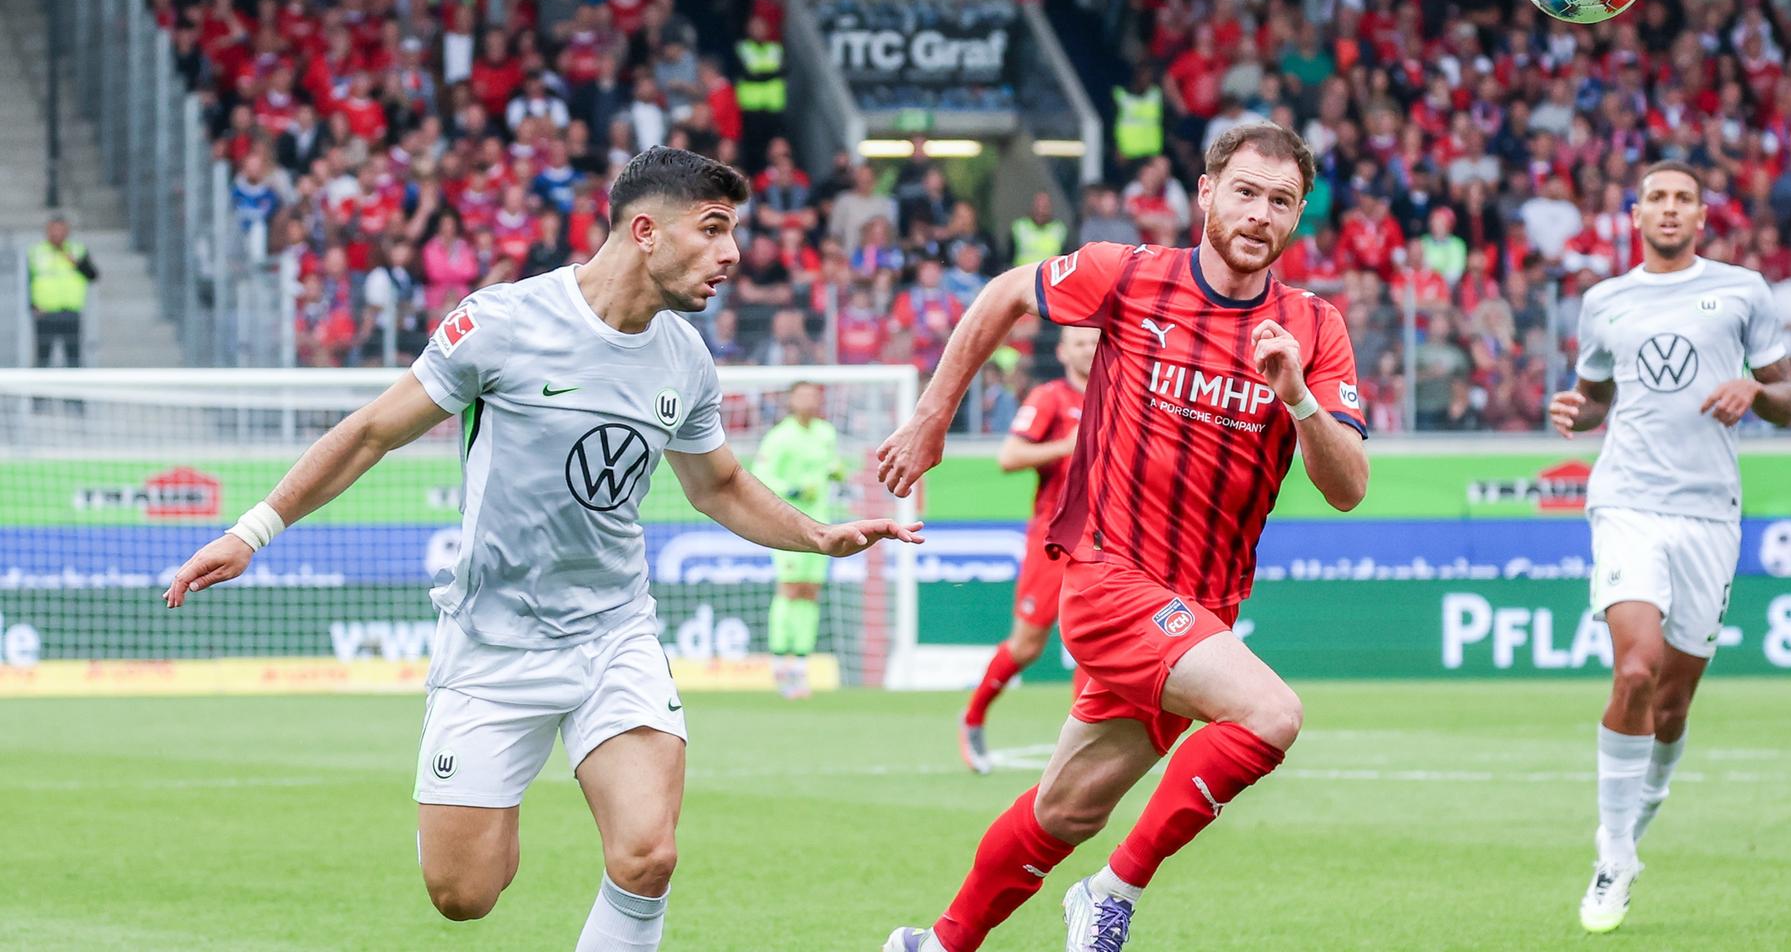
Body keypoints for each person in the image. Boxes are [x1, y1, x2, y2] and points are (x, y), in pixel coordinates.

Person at [163, 148, 922, 951]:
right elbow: (370, 433)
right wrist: (252, 531)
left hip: (613, 633)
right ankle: (483, 804)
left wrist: (814, 534)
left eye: (732, 231)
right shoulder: (504, 322)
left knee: (648, 855)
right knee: (463, 895)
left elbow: (720, 485)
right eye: (712, 229)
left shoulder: (686, 358)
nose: (732, 254)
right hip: (494, 643)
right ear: (644, 232)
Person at [878, 124, 1369, 952]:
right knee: (1270, 715)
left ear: (1297, 218)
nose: (1259, 214)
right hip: (1111, 579)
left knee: (1066, 808)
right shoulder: (1132, 277)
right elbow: (1003, 293)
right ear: (1206, 193)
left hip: (1200, 605)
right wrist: (931, 418)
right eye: (1245, 192)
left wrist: (1298, 398)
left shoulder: (1313, 329)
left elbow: (1347, 487)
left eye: (1281, 202)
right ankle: (1110, 893)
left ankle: (936, 944)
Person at [1548, 160, 1791, 936]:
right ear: (1634, 214)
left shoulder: (1743, 290)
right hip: (1627, 503)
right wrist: (1574, 412)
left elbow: (1788, 399)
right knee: (1635, 668)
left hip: (1709, 516)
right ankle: (1614, 852)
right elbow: (1596, 399)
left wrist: (1756, 392)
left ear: (1701, 215)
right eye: (1656, 196)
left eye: (1683, 197)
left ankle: (1633, 830)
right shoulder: (1605, 302)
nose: (1668, 208)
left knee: (1673, 706)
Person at [958, 325, 1099, 773]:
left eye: (1096, 342)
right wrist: (1066, 446)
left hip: (1107, 541)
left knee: (1095, 646)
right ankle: (974, 717)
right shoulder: (1050, 398)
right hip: (1055, 537)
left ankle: (1083, 749)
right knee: (1027, 645)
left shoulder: (1121, 395)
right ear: (1062, 352)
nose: (1089, 349)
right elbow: (1009, 456)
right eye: (1079, 342)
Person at [750, 380, 846, 699]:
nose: (808, 400)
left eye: (813, 394)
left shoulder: (825, 433)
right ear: (791, 400)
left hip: (821, 523)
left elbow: (829, 467)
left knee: (810, 591)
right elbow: (761, 476)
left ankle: (801, 666)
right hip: (787, 523)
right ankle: (779, 662)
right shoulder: (779, 437)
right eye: (802, 394)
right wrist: (792, 489)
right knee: (789, 589)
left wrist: (836, 473)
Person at [28, 217, 99, 368]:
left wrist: (76, 262)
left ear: (67, 232)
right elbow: (27, 281)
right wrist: (32, 305)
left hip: (71, 311)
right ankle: (39, 392)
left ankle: (75, 390)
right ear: (47, 232)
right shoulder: (36, 252)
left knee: (73, 357)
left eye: (61, 230)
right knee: (43, 358)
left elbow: (92, 275)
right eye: (53, 230)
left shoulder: (77, 251)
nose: (57, 234)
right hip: (45, 312)